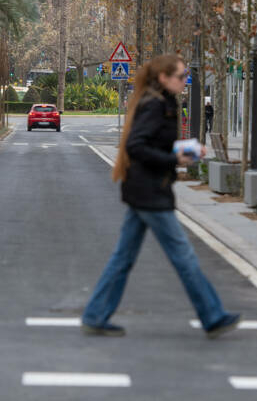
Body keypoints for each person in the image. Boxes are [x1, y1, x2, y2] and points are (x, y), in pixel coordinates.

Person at [81, 55, 242, 339]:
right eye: (181, 77)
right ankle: (212, 315)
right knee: (183, 256)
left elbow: (153, 143)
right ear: (164, 78)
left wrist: (187, 149)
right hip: (150, 192)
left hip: (145, 190)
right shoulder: (155, 105)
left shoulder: (162, 103)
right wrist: (173, 157)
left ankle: (95, 314)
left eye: (186, 77)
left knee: (124, 257)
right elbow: (136, 146)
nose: (185, 81)